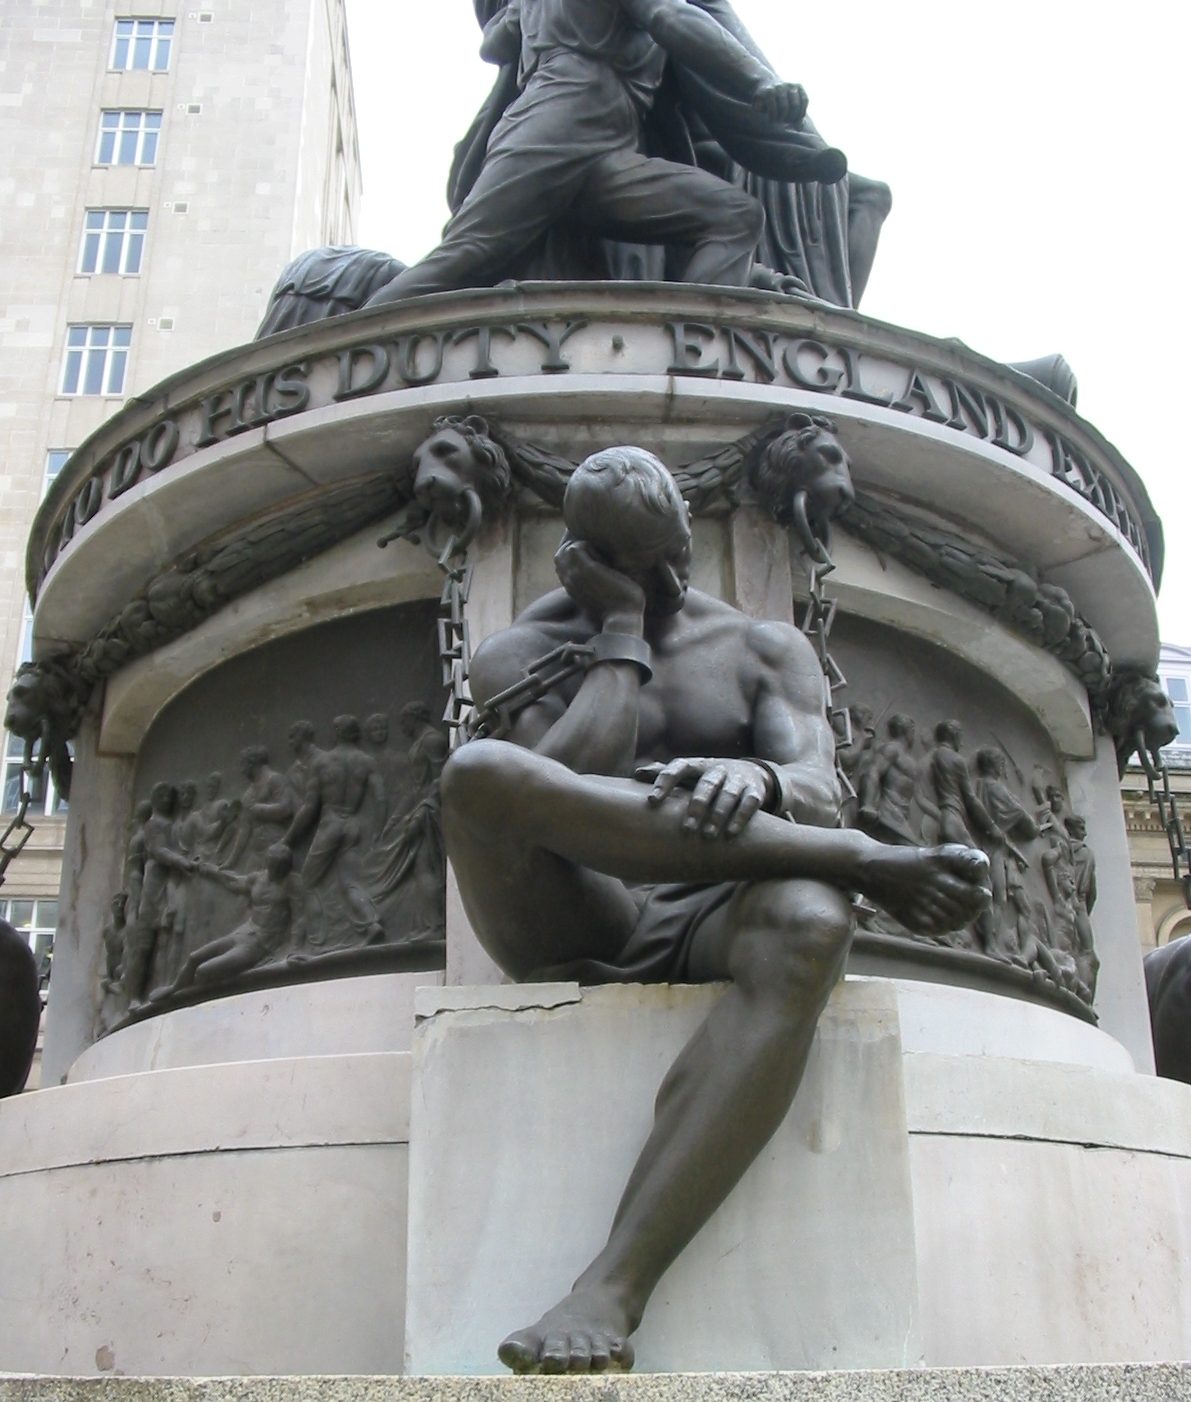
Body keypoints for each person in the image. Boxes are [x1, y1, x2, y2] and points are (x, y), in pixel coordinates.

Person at [447, 444, 990, 1372]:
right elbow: (558, 806)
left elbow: (819, 783)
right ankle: (862, 865)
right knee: (480, 773)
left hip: (714, 907)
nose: (667, 581)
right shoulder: (516, 655)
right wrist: (618, 638)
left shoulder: (759, 647)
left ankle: (612, 1285)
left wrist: (761, 776)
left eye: (675, 556)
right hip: (579, 917)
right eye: (636, 567)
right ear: (580, 558)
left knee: (814, 921)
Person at [366, 0, 837, 307]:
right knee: (466, 256)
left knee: (735, 216)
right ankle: (358, 332)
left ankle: (689, 344)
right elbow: (671, 18)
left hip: (605, 145)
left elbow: (495, 44)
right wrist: (760, 82)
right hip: (553, 129)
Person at [284, 715, 388, 943]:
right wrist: (379, 831)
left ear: (338, 733)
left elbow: (309, 808)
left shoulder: (322, 763)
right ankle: (371, 924)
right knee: (349, 881)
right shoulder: (366, 761)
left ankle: (315, 939)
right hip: (353, 825)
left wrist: (288, 840)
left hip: (331, 822)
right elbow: (380, 799)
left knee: (307, 882)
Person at [157, 844, 305, 996]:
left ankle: (197, 993)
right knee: (194, 958)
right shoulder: (258, 878)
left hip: (261, 943)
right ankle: (174, 989)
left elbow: (299, 919)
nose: (275, 870)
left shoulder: (292, 884)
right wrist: (210, 871)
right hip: (244, 932)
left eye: (280, 866)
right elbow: (233, 882)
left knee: (203, 971)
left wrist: (295, 950)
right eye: (273, 864)